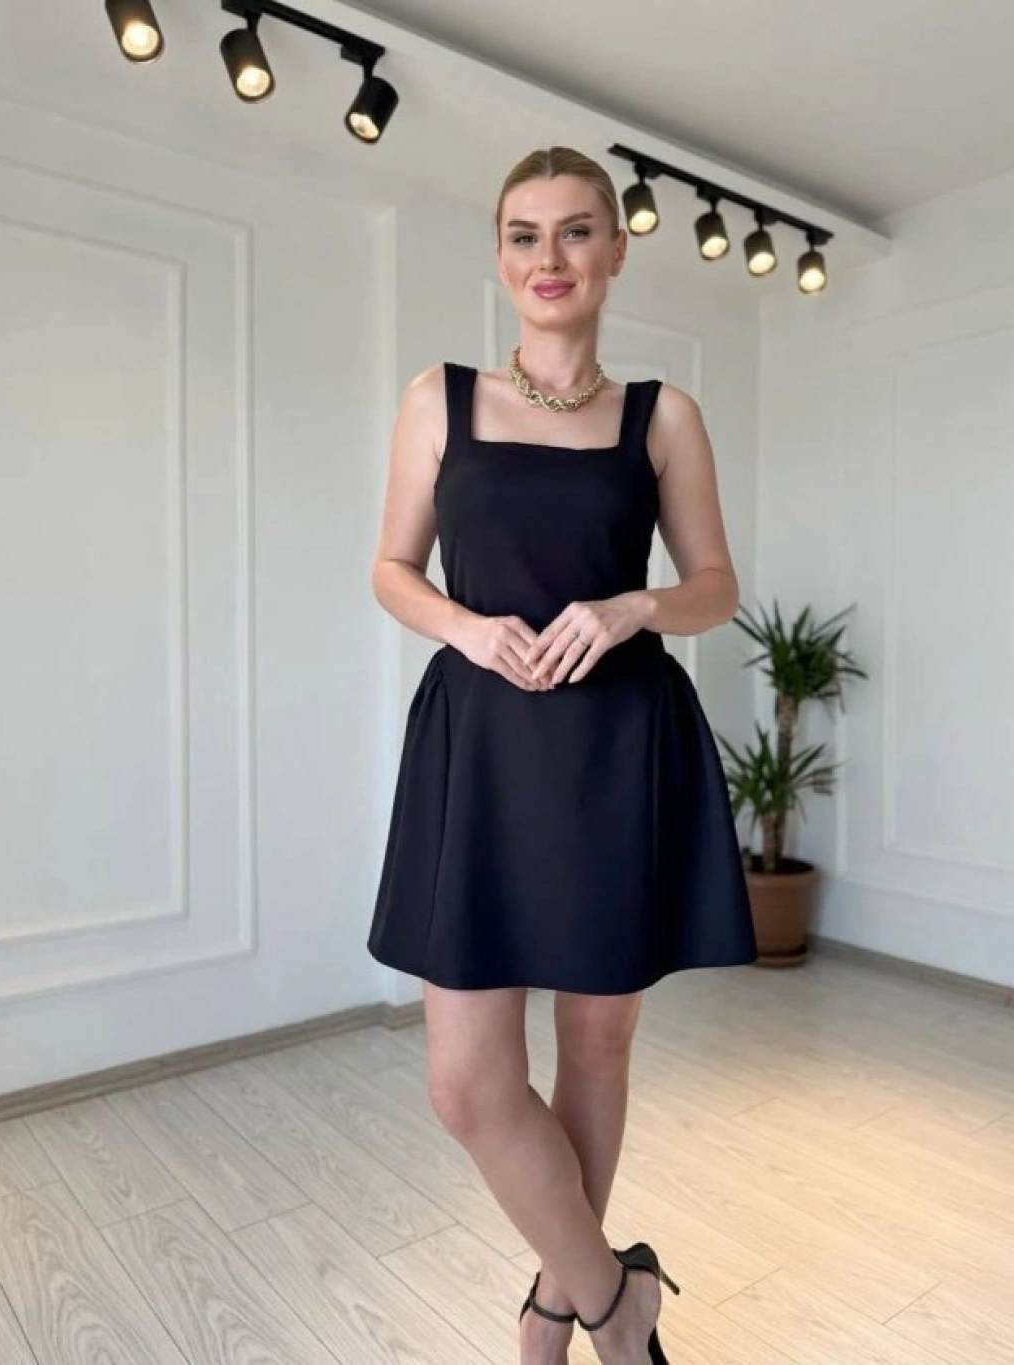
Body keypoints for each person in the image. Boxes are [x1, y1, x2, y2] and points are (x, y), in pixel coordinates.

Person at [366, 146, 757, 1365]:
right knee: (465, 1085)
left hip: (614, 747)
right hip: (479, 747)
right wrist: (467, 629)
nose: (550, 257)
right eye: (524, 234)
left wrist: (634, 606)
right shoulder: (437, 398)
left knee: (595, 1043)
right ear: (499, 256)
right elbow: (391, 569)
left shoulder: (663, 415)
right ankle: (615, 1301)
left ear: (614, 251)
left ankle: (550, 1312)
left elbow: (714, 587)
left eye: (576, 231)